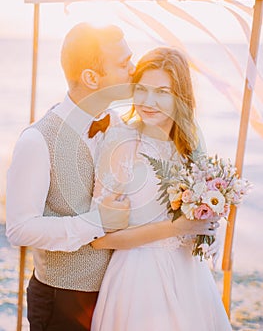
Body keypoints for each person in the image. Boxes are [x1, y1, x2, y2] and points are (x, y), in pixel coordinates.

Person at [6, 24, 219, 331]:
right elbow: (19, 229)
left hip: (121, 289)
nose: (133, 70)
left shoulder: (121, 124)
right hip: (65, 296)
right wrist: (97, 222)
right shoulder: (37, 141)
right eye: (123, 64)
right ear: (93, 78)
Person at [90, 47, 232, 330]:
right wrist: (177, 228)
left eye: (162, 92)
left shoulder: (191, 141)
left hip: (190, 277)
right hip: (137, 281)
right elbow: (99, 239)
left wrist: (211, 225)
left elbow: (202, 210)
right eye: (142, 89)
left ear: (180, 96)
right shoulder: (122, 140)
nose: (148, 101)